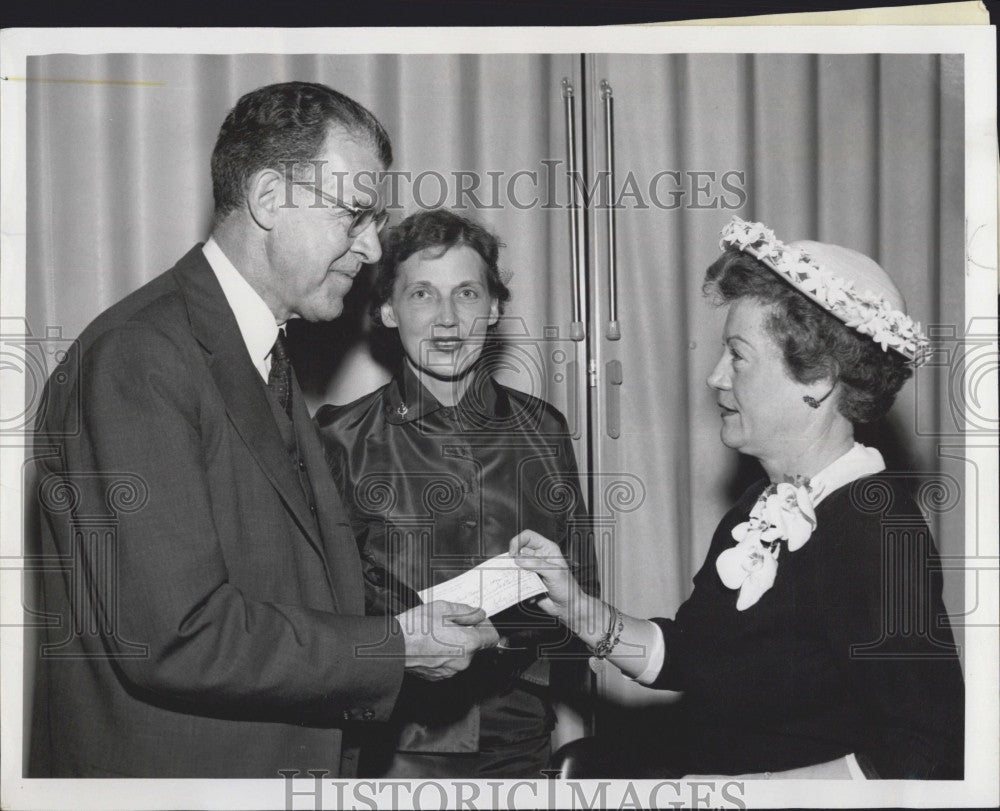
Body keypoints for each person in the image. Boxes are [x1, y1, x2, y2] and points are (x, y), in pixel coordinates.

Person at [29, 82, 497, 779]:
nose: (372, 248)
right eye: (356, 214)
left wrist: (415, 622)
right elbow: (177, 634)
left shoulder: (257, 352)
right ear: (270, 198)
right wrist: (393, 648)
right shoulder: (139, 357)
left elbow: (287, 576)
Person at [511, 217, 964, 780]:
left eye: (738, 356)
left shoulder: (875, 532)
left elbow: (923, 752)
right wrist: (576, 606)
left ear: (818, 378)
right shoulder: (757, 509)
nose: (715, 378)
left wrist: (736, 793)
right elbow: (689, 659)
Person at [316, 209, 598, 778]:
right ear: (389, 311)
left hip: (518, 738)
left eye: (467, 293)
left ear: (494, 308)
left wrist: (495, 635)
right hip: (390, 745)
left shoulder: (543, 431)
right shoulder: (339, 439)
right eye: (422, 294)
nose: (447, 319)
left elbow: (582, 591)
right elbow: (319, 612)